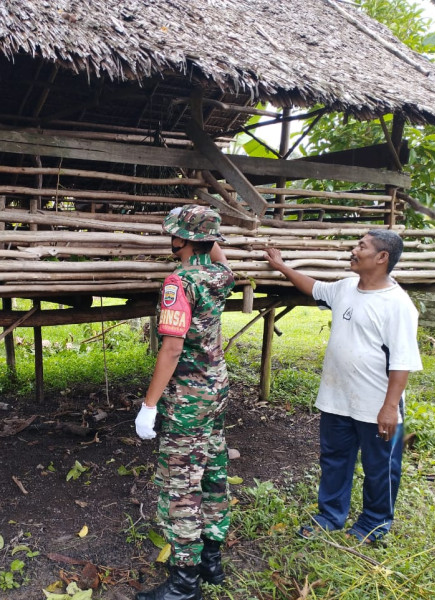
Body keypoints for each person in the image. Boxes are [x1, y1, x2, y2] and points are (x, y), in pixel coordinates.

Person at [263, 230, 422, 544]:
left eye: (361, 246)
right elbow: (314, 287)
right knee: (334, 458)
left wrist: (390, 408)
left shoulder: (398, 305)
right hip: (337, 399)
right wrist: (282, 267)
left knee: (380, 467)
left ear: (381, 257)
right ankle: (330, 515)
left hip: (376, 405)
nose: (353, 250)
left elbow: (402, 361)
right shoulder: (346, 287)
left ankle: (375, 524)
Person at [134, 204, 235, 600]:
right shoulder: (221, 275)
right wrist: (209, 241)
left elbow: (172, 348)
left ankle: (185, 581)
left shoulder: (179, 282)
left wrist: (149, 405)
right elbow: (220, 259)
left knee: (181, 485)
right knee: (212, 472)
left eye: (173, 233)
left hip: (189, 397)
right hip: (217, 388)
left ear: (181, 239)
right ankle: (212, 560)